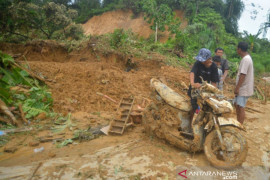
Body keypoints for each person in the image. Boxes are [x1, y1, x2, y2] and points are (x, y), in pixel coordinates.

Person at [188, 48, 219, 122]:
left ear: (209, 59)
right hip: (195, 89)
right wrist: (193, 83)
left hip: (205, 90)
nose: (201, 61)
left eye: (203, 60)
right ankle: (191, 124)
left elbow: (214, 82)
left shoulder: (214, 67)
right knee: (194, 106)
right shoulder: (198, 63)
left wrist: (213, 93)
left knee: (206, 108)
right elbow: (192, 73)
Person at [234, 42, 254, 124]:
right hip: (244, 87)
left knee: (240, 107)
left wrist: (237, 87)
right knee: (237, 105)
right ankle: (238, 122)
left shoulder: (246, 59)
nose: (237, 50)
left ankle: (240, 125)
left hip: (243, 88)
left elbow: (243, 74)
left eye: (237, 49)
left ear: (239, 49)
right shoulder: (247, 58)